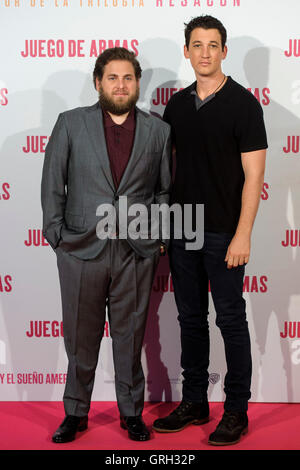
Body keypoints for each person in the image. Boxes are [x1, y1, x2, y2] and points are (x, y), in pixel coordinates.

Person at [41, 47, 171, 443]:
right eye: (112, 77)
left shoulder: (158, 131)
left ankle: (131, 413)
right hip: (80, 249)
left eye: (128, 78)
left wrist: (159, 237)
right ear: (98, 83)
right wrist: (57, 236)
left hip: (135, 251)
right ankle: (75, 412)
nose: (120, 84)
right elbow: (52, 184)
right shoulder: (69, 124)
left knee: (130, 337)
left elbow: (164, 190)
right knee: (80, 338)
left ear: (137, 83)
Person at [153, 15, 268, 446]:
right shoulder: (177, 105)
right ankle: (195, 402)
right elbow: (167, 172)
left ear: (224, 51)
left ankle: (236, 410)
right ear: (186, 51)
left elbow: (254, 177)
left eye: (212, 45)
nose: (204, 52)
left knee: (231, 320)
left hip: (224, 232)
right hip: (184, 230)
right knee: (189, 319)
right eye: (196, 45)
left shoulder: (243, 104)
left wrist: (244, 234)